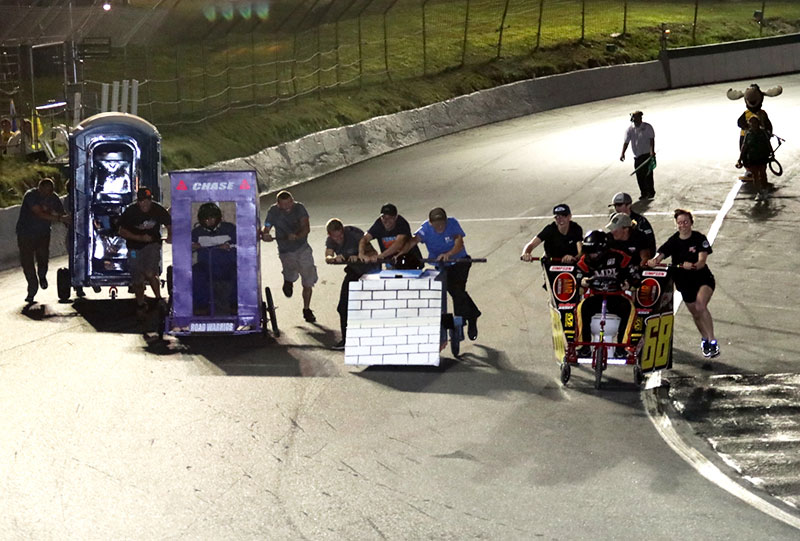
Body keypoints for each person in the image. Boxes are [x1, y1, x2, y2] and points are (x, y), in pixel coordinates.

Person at [647, 209, 719, 358]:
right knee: (696, 314)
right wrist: (654, 261)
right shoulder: (674, 240)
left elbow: (701, 261)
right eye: (680, 223)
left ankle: (712, 341)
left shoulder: (699, 238)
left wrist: (692, 265)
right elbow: (661, 254)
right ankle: (705, 338)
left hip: (702, 279)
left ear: (691, 222)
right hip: (684, 282)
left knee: (700, 305)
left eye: (685, 222)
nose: (683, 225)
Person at [405, 207, 482, 340]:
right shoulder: (425, 229)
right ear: (430, 223)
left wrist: (449, 254)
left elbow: (459, 244)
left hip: (459, 261)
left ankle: (461, 322)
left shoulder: (452, 224)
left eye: (442, 223)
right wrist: (400, 253)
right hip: (441, 265)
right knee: (450, 293)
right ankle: (472, 314)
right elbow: (412, 241)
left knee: (457, 291)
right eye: (436, 224)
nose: (440, 226)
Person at [574, 230, 638, 358]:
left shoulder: (620, 257)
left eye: (594, 252)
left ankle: (622, 346)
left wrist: (629, 284)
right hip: (596, 295)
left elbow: (635, 276)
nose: (591, 255)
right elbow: (577, 276)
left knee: (630, 309)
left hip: (616, 295)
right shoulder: (585, 260)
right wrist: (582, 281)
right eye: (589, 252)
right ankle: (584, 345)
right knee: (581, 308)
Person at [262, 190, 318, 323]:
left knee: (308, 279)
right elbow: (268, 224)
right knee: (291, 272)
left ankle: (306, 309)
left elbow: (306, 227)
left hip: (302, 248)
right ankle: (288, 280)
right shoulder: (273, 211)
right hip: (285, 250)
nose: (287, 207)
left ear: (292, 201)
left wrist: (297, 236)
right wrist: (266, 233)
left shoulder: (300, 208)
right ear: (278, 204)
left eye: (289, 204)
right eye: (284, 205)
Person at [118, 187, 172, 319]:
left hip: (152, 244)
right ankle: (141, 303)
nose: (145, 204)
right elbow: (121, 231)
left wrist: (170, 235)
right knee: (137, 278)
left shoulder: (157, 209)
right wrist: (139, 238)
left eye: (148, 201)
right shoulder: (130, 212)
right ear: (138, 202)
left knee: (150, 272)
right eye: (142, 201)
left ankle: (158, 298)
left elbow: (169, 223)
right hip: (135, 248)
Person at [325, 219, 378, 350]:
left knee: (370, 307)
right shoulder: (331, 241)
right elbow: (327, 256)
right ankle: (346, 339)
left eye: (341, 235)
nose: (338, 239)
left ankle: (374, 337)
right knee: (342, 307)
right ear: (330, 235)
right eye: (335, 237)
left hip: (370, 271)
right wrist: (333, 259)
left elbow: (374, 253)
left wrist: (359, 255)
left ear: (343, 231)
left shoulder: (355, 235)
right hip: (354, 272)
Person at [16, 178, 69, 304]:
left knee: (43, 257)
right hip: (25, 234)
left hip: (43, 234)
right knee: (27, 262)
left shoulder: (54, 198)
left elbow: (62, 212)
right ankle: (32, 287)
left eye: (50, 191)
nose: (47, 194)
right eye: (45, 191)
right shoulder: (31, 196)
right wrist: (60, 218)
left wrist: (68, 222)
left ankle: (42, 276)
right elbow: (39, 213)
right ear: (39, 188)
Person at [191, 202, 237, 315]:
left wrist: (229, 245)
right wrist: (192, 247)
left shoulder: (230, 228)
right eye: (206, 219)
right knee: (196, 272)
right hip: (206, 265)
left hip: (227, 265)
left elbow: (240, 244)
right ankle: (201, 306)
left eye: (212, 218)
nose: (209, 221)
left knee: (238, 272)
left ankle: (234, 304)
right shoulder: (196, 232)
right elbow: (187, 246)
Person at [359, 203, 423, 268]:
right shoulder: (378, 224)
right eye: (384, 218)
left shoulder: (402, 223)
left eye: (390, 218)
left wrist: (381, 256)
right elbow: (365, 239)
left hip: (408, 261)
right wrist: (361, 253)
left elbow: (399, 244)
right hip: (391, 263)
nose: (387, 221)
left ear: (396, 217)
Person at [620, 110, 656, 199]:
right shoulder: (630, 129)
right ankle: (643, 193)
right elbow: (626, 142)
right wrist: (622, 153)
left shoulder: (647, 127)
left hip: (647, 155)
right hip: (637, 156)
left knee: (648, 175)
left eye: (637, 117)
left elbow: (651, 140)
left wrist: (652, 151)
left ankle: (651, 192)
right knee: (639, 176)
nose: (635, 119)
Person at [736, 115, 772, 201]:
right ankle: (759, 192)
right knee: (755, 176)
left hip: (762, 156)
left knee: (763, 174)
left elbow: (768, 143)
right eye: (751, 123)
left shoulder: (763, 133)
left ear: (758, 123)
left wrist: (771, 153)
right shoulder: (748, 134)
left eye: (755, 122)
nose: (753, 124)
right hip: (752, 157)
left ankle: (764, 189)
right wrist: (740, 158)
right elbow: (744, 146)